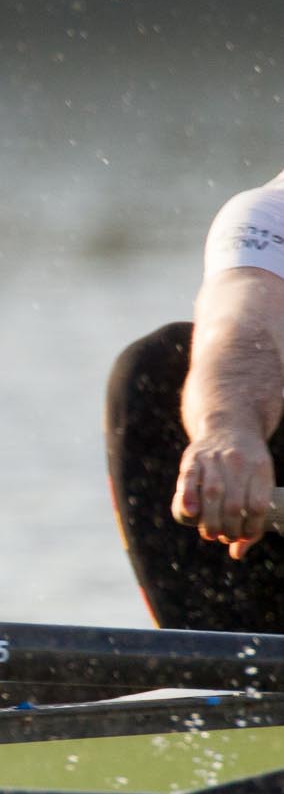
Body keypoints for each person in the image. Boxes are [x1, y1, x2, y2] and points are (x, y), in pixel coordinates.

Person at [108, 176, 284, 630]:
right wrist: (229, 430)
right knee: (159, 367)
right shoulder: (269, 214)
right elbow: (240, 327)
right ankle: (224, 667)